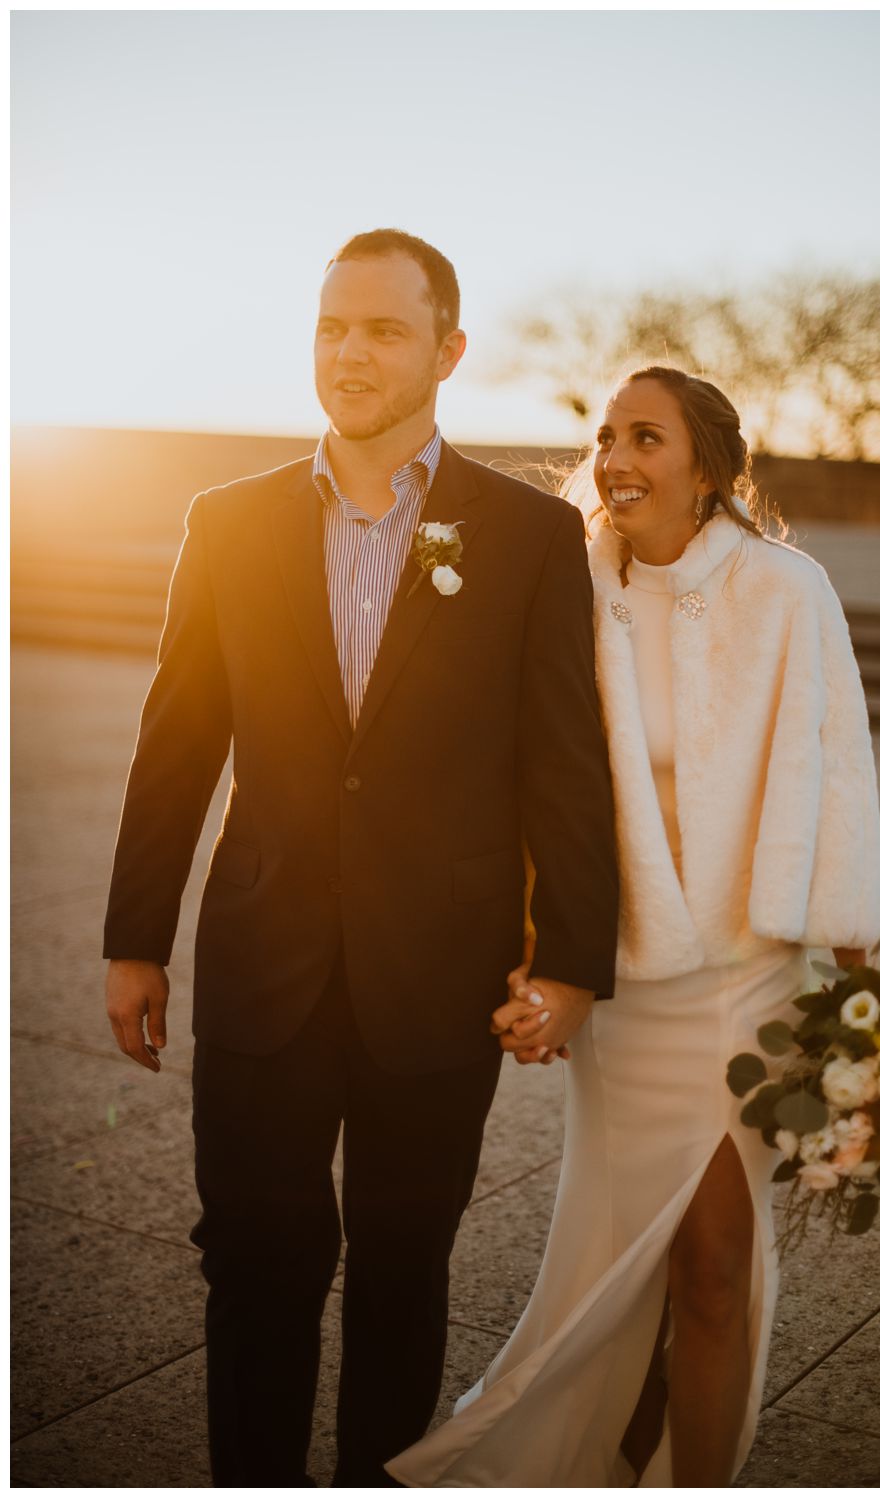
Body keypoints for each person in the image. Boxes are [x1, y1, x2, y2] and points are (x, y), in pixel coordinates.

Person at [101, 228, 619, 1484]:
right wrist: (134, 939)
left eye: (384, 329)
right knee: (254, 1263)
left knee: (403, 1265)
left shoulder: (528, 534)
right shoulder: (227, 522)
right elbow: (178, 743)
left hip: (439, 974)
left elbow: (563, 761)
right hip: (260, 963)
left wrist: (569, 962)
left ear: (447, 350)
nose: (350, 352)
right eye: (332, 325)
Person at [389, 366, 880, 1487]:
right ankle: (613, 1442)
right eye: (608, 436)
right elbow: (527, 784)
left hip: (751, 979)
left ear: (707, 467)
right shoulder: (566, 582)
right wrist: (541, 958)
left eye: (646, 438)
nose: (615, 459)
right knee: (633, 1262)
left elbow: (839, 780)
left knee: (712, 1264)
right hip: (620, 982)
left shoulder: (788, 589)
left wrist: (870, 1006)